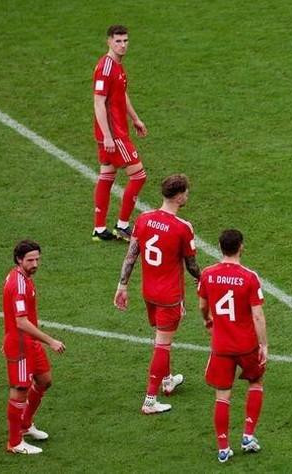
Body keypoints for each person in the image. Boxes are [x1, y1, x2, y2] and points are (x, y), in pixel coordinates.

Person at [114, 174, 201, 414]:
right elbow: (191, 264)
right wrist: (202, 280)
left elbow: (131, 255)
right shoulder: (183, 228)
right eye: (187, 192)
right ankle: (150, 400)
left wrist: (122, 285)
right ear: (180, 195)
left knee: (162, 337)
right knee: (163, 344)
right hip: (169, 295)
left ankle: (167, 380)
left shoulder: (143, 219)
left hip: (148, 291)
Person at [198, 229, 268, 462]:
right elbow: (258, 316)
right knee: (256, 382)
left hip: (221, 346)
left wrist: (207, 319)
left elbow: (202, 305)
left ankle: (222, 448)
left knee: (222, 397)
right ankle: (248, 435)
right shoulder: (249, 277)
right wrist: (264, 345)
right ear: (241, 247)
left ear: (219, 247)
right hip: (247, 345)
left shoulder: (207, 274)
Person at [2, 240, 66, 454]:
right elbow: (20, 321)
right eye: (30, 260)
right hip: (20, 345)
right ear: (19, 260)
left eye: (37, 259)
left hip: (30, 342)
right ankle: (14, 442)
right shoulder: (18, 284)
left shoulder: (24, 277)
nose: (35, 263)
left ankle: (25, 424)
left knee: (44, 380)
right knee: (20, 391)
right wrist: (51, 340)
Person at [92, 24, 149, 242]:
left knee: (107, 175)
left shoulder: (117, 66)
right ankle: (122, 225)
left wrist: (135, 119)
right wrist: (107, 135)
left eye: (125, 41)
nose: (123, 45)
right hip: (114, 133)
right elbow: (98, 102)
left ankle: (98, 229)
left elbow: (121, 95)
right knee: (139, 175)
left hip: (115, 130)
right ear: (108, 41)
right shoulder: (106, 67)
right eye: (118, 41)